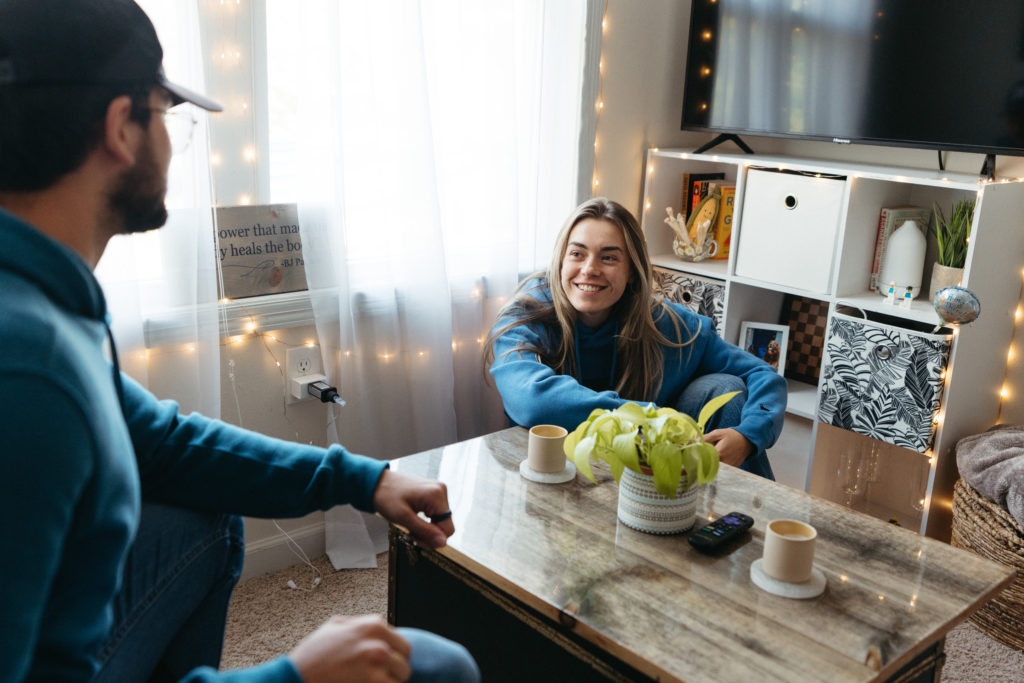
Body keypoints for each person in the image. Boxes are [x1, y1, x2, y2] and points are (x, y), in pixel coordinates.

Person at [0, 1, 479, 681]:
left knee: (203, 512)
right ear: (120, 128)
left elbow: (166, 442)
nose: (173, 140)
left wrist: (363, 478)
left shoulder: (45, 301)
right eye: (168, 114)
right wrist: (291, 675)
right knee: (433, 665)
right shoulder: (31, 372)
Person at [485, 197, 786, 479]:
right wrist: (652, 419)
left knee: (727, 389)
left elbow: (761, 372)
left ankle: (749, 524)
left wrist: (749, 435)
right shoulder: (527, 316)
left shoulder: (670, 326)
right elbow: (533, 402)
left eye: (609, 258)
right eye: (577, 254)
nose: (590, 269)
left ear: (631, 271)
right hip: (552, 468)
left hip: (646, 469)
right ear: (561, 262)